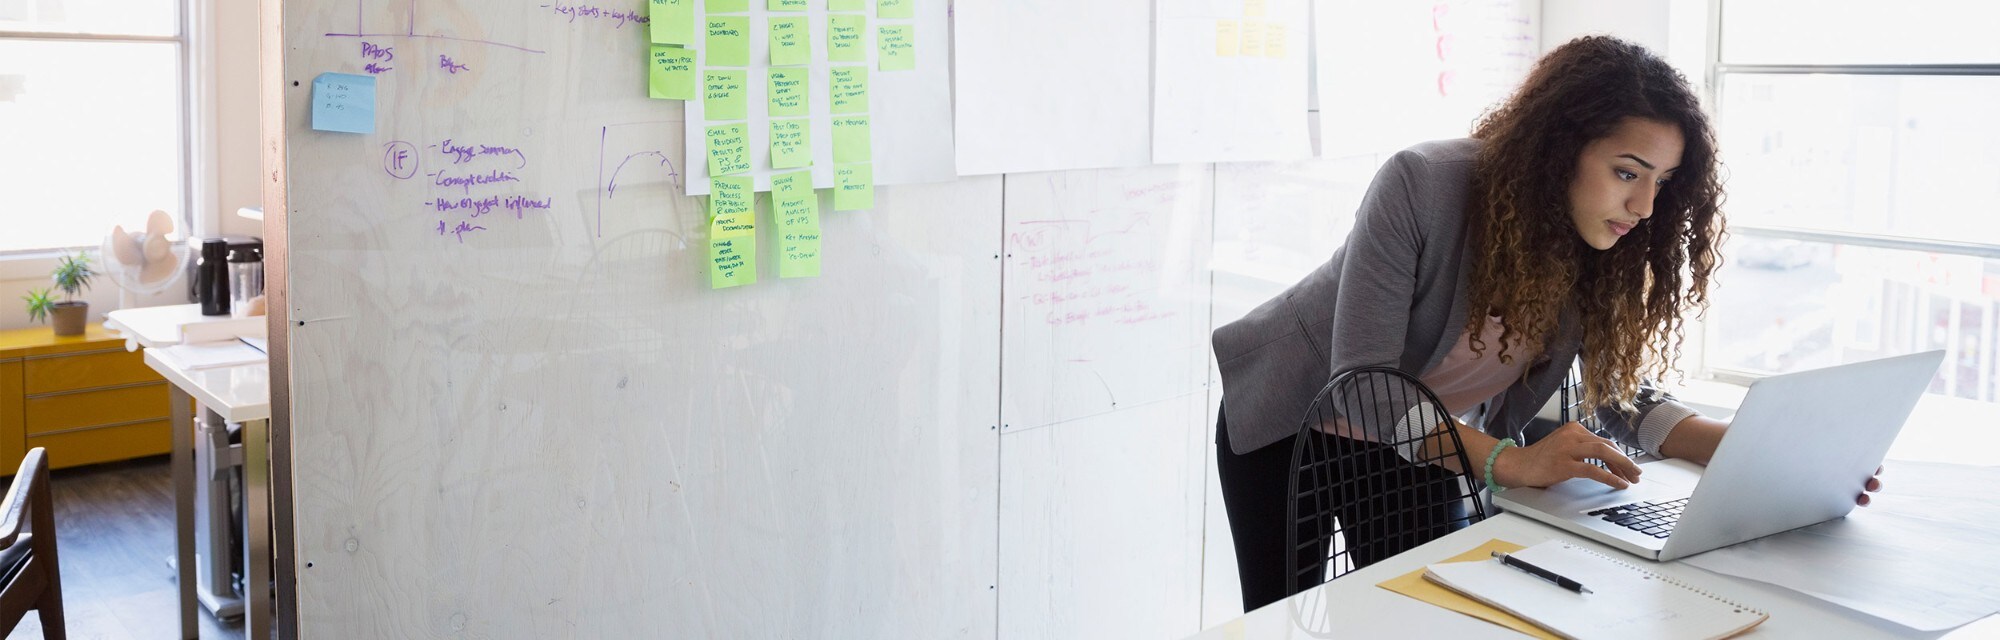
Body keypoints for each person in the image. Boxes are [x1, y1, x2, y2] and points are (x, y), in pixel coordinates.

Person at [1209, 35, 1885, 611]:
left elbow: (1616, 390)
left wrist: (1752, 452)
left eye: (1661, 181)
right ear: (1559, 150)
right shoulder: (1422, 183)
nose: (1646, 206)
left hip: (1421, 436)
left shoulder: (1597, 239)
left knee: (1429, 616)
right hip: (1290, 419)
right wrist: (1511, 461)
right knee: (1281, 621)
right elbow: (1362, 385)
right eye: (1628, 172)